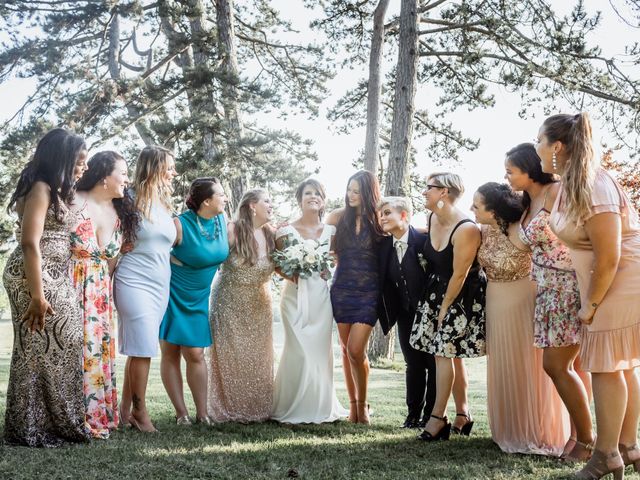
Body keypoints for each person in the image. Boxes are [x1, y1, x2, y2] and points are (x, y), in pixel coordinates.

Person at [540, 112, 640, 479]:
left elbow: (610, 254)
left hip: (620, 280)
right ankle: (628, 447)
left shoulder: (595, 183)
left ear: (558, 147)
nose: (537, 148)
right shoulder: (571, 182)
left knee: (605, 365)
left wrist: (591, 304)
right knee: (621, 365)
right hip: (604, 280)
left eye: (540, 140)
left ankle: (606, 454)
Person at [504, 143, 593, 460]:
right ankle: (576, 437)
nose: (507, 177)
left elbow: (585, 232)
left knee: (557, 365)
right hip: (544, 291)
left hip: (567, 287)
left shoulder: (557, 191)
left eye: (511, 171)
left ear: (529, 170)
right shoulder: (527, 203)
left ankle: (587, 441)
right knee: (566, 368)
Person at [3, 128, 90, 447]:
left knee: (63, 344)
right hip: (33, 275)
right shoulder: (40, 187)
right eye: (80, 161)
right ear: (62, 160)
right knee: (37, 349)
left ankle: (56, 424)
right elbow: (29, 242)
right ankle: (30, 428)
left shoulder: (55, 189)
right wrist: (37, 296)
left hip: (57, 273)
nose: (85, 167)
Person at [472, 182, 569, 455]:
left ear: (494, 210)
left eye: (477, 205)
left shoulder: (523, 229)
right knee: (503, 361)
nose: (472, 209)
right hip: (495, 302)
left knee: (528, 364)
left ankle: (536, 430)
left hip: (524, 300)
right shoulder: (483, 229)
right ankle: (507, 429)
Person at [410, 172, 486, 441]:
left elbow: (460, 274)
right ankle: (463, 414)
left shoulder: (466, 229)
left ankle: (437, 418)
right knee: (451, 354)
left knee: (442, 352)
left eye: (428, 188)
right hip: (434, 290)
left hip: (460, 295)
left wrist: (444, 308)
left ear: (444, 192)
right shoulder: (431, 218)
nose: (424, 192)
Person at [70, 151, 137, 438]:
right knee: (71, 352)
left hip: (99, 295)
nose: (127, 179)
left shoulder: (120, 215)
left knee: (94, 353)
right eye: (122, 173)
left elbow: (110, 265)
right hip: (69, 284)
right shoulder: (72, 201)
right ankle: (68, 415)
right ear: (103, 176)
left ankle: (95, 414)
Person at [114, 145, 177, 432]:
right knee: (142, 349)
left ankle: (124, 412)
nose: (174, 172)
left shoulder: (165, 204)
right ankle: (141, 412)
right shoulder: (126, 198)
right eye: (169, 166)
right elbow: (109, 231)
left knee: (138, 348)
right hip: (133, 279)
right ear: (154, 168)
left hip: (159, 282)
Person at [272, 179, 345, 423]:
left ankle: (320, 405)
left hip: (320, 299)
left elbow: (335, 260)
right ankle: (291, 405)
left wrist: (327, 267)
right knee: (298, 351)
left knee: (318, 352)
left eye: (317, 193)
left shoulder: (331, 232)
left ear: (323, 200)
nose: (313, 196)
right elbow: (276, 265)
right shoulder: (284, 231)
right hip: (293, 297)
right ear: (300, 199)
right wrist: (293, 269)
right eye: (307, 193)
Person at [159, 177, 229, 425]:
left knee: (196, 353)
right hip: (173, 293)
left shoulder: (222, 220)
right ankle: (181, 414)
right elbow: (157, 253)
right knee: (171, 352)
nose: (225, 198)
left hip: (200, 297)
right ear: (207, 201)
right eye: (221, 195)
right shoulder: (179, 224)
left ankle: (202, 413)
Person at [207, 189, 275, 422]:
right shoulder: (233, 230)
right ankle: (227, 408)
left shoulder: (271, 235)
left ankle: (256, 408)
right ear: (252, 206)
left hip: (260, 304)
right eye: (267, 200)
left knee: (257, 357)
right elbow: (210, 258)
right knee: (230, 357)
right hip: (228, 302)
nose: (271, 204)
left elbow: (287, 270)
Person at [326, 170, 384, 425]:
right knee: (346, 350)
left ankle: (363, 405)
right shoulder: (337, 217)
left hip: (369, 291)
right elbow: (324, 248)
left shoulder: (379, 219)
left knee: (356, 349)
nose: (351, 195)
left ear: (368, 193)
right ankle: (354, 408)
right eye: (349, 189)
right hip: (342, 289)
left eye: (357, 191)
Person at [377, 196, 435, 429]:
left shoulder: (425, 242)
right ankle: (412, 415)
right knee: (413, 364)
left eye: (387, 213)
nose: (383, 217)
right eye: (381, 214)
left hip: (430, 313)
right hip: (404, 313)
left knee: (433, 364)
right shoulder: (383, 247)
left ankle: (431, 415)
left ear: (404, 215)